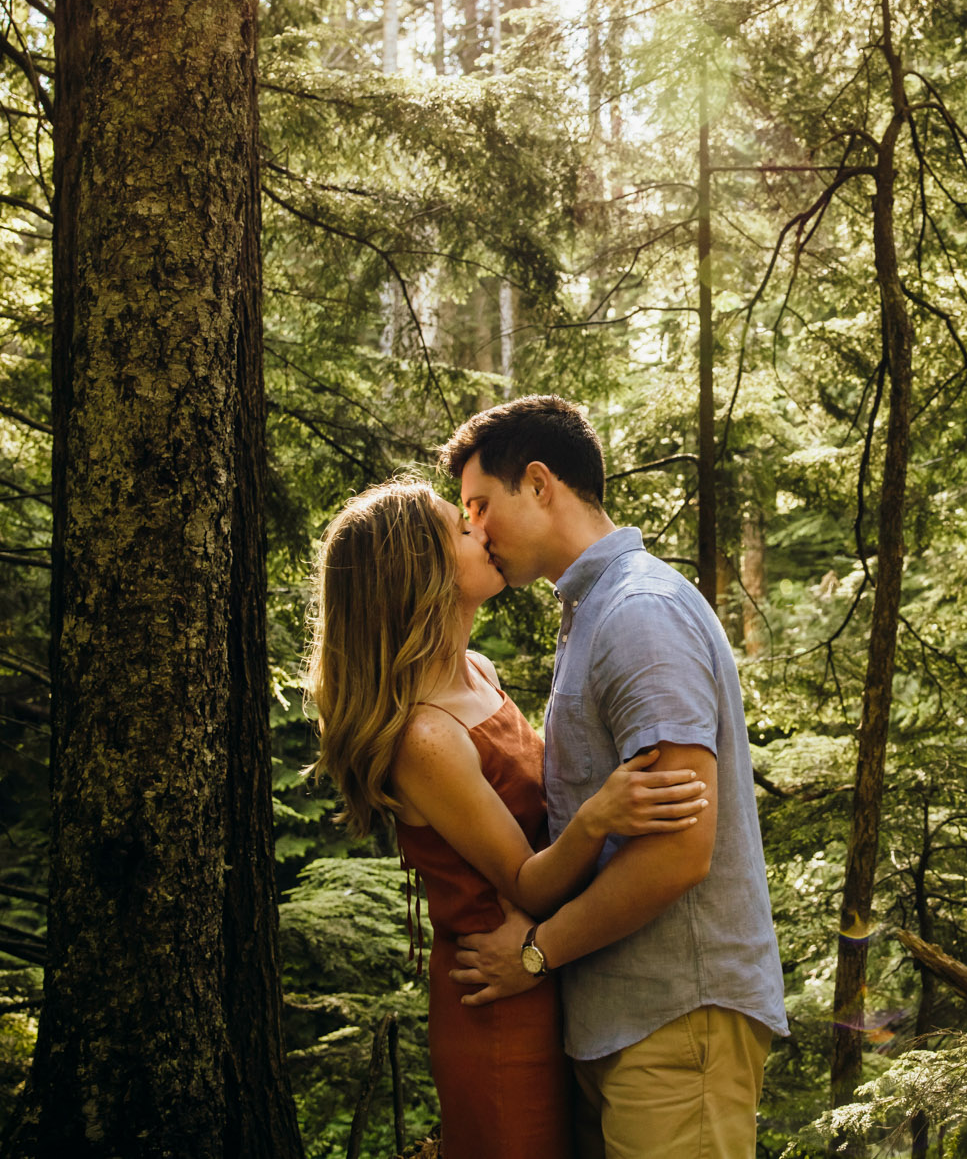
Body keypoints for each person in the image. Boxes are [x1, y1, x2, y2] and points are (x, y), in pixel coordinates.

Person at [304, 476, 711, 1159]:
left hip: (548, 975)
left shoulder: (479, 671)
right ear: (421, 575)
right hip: (498, 998)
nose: (483, 531)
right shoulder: (426, 738)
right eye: (462, 530)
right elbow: (527, 882)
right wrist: (599, 816)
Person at [439, 395, 789, 1159]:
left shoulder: (638, 612)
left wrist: (536, 952)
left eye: (480, 505)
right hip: (629, 1028)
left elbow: (679, 850)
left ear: (538, 483)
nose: (475, 530)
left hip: (676, 1025)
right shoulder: (595, 609)